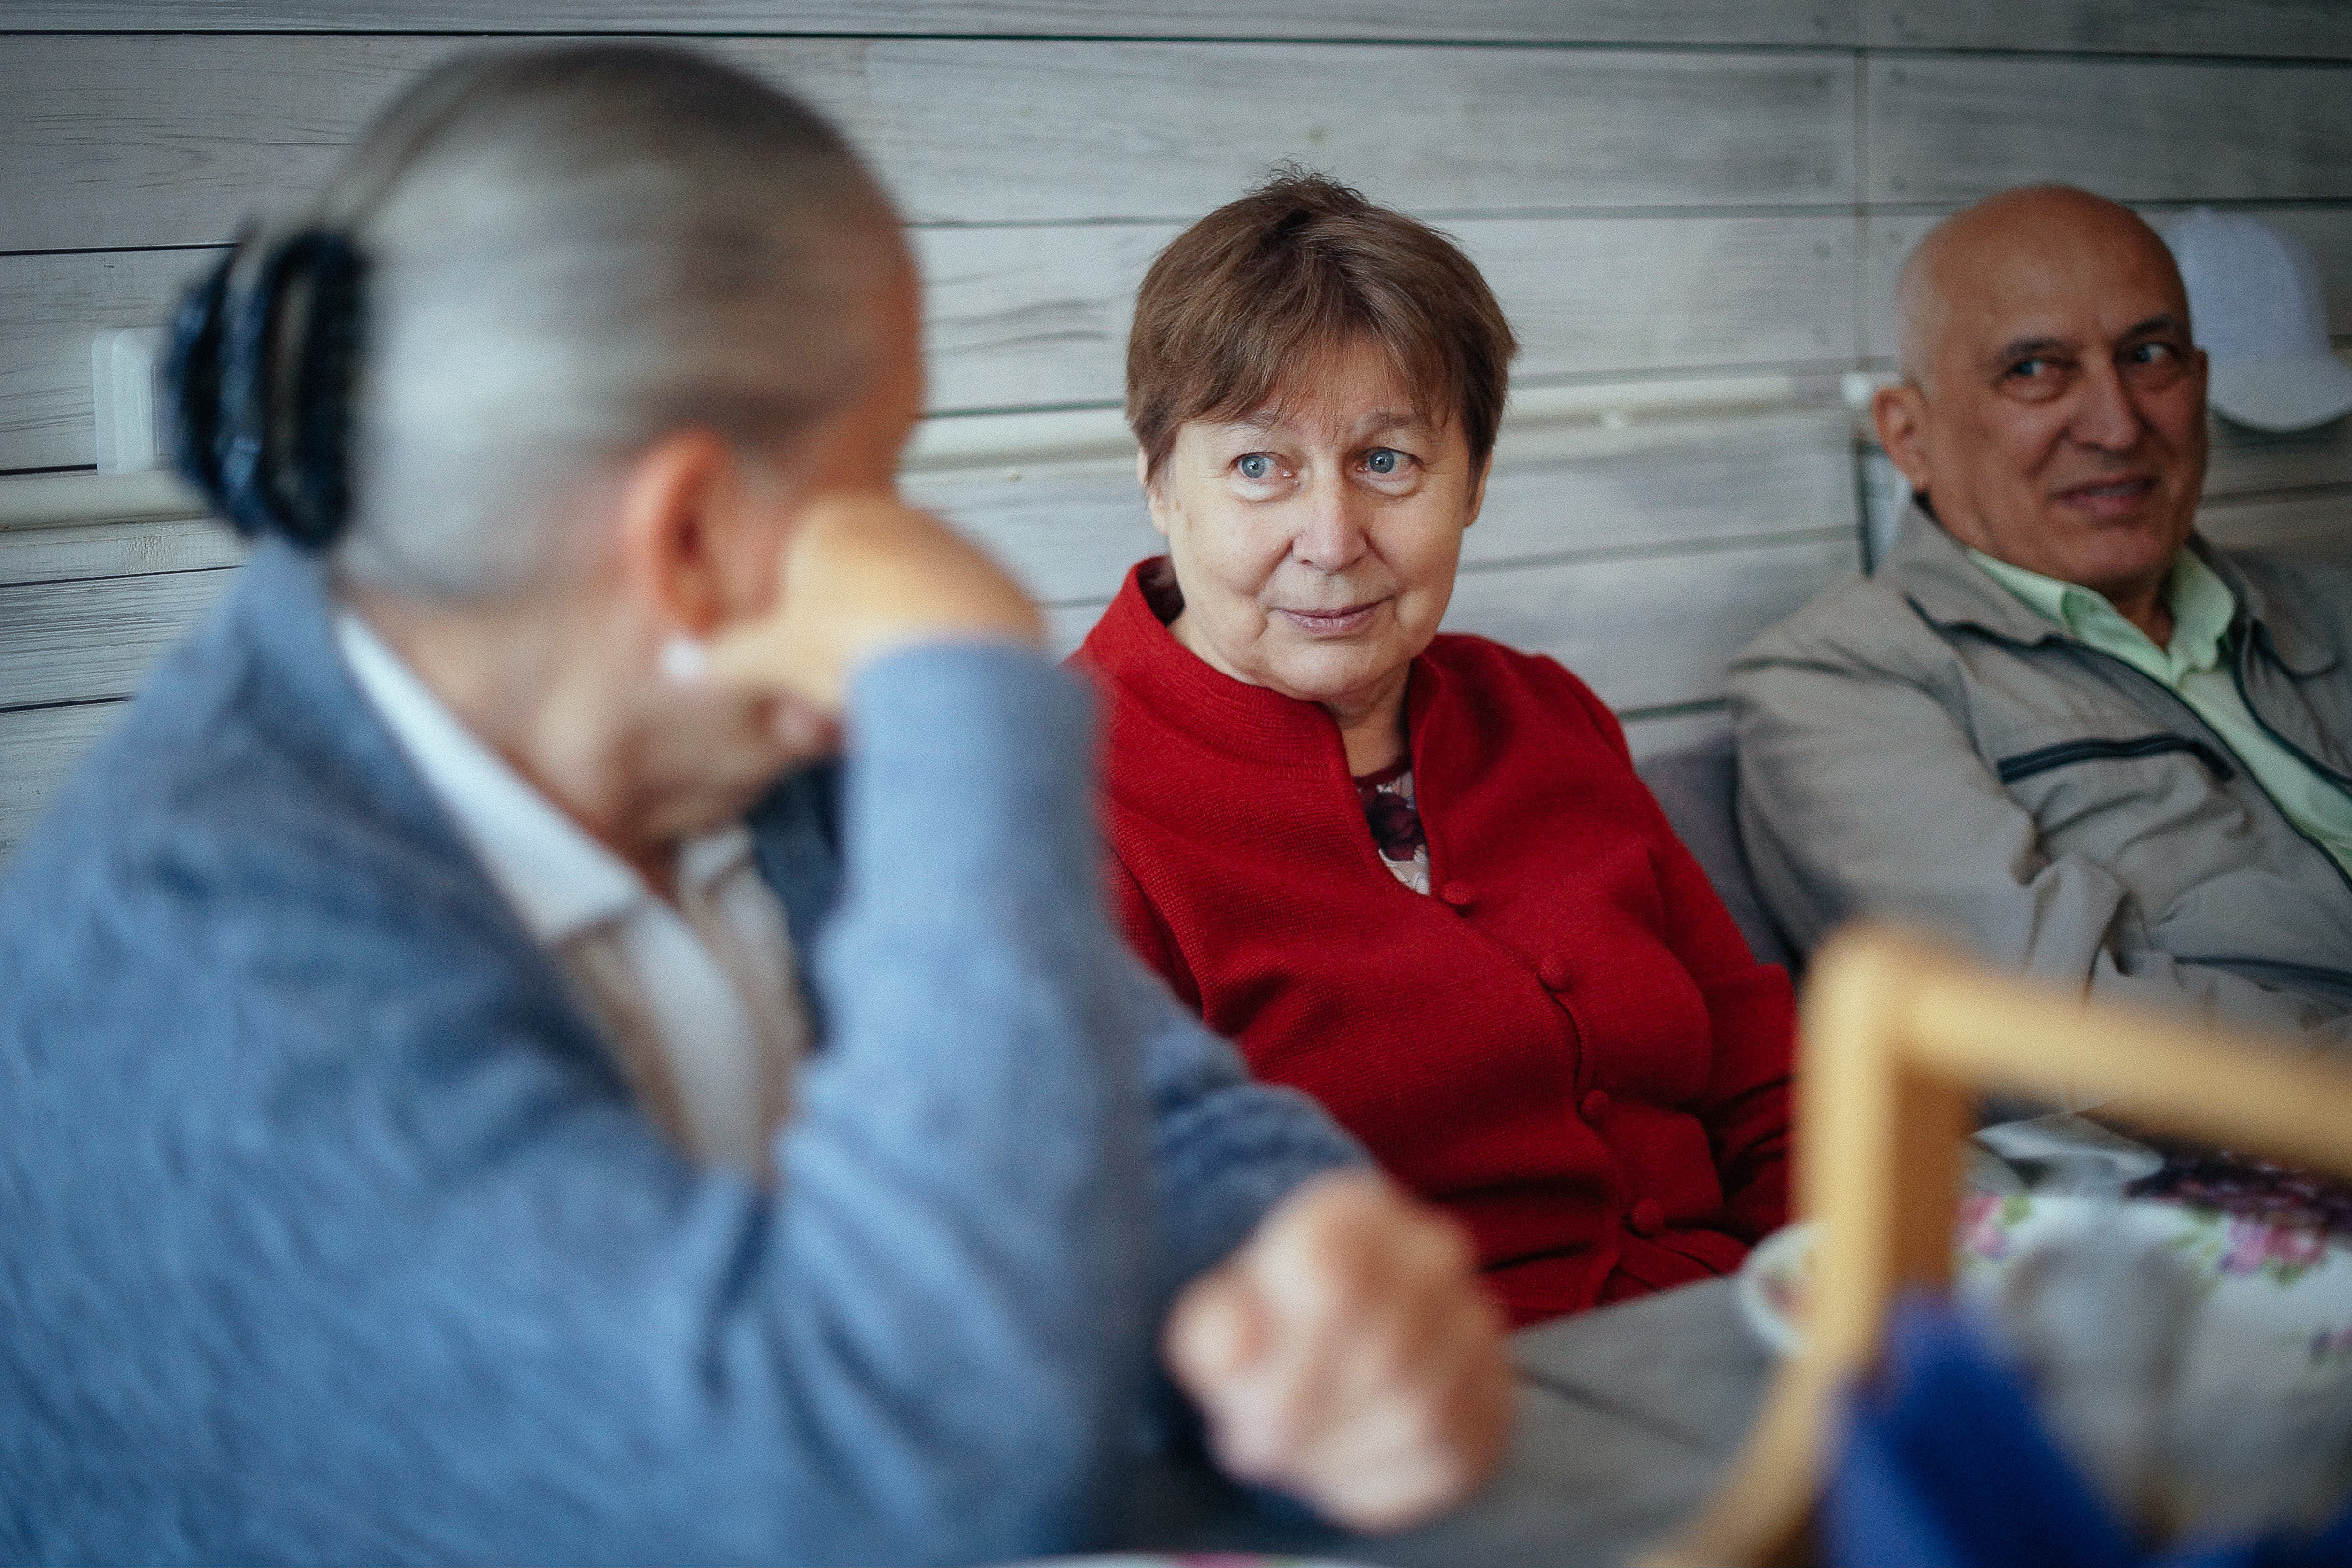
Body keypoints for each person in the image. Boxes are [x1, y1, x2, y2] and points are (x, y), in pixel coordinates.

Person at [0, 47, 1512, 1565]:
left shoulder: (762, 761)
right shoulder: (199, 961)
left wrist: (1307, 1254)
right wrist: (960, 679)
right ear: (690, 538)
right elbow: (883, 1479)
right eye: (877, 479)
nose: (902, 536)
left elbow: (1155, 1114)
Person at [1071, 173, 1795, 1330]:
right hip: (1429, 1430)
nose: (1331, 538)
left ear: (1475, 480)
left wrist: (1856, 1300)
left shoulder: (1546, 712)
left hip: (1754, 1338)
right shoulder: (1059, 808)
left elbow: (1768, 1084)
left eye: (1388, 461)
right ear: (1159, 480)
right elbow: (1113, 1285)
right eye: (1260, 465)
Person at [1729, 184, 2352, 1045]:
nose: (2116, 424)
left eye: (2148, 354)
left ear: (2199, 384)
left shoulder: (2329, 605)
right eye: (2032, 370)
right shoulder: (1840, 676)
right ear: (1908, 436)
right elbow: (2047, 1032)